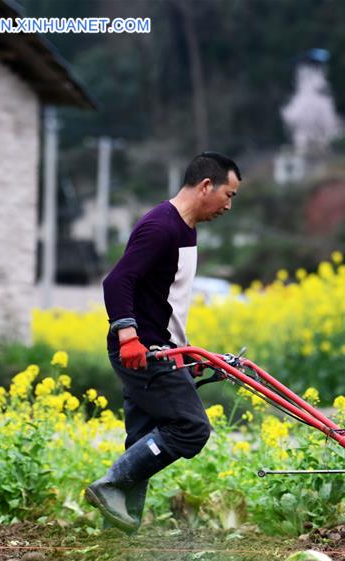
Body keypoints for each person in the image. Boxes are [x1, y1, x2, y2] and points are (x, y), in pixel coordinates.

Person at [86, 152, 241, 533]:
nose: (229, 204)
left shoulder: (185, 228)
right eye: (229, 194)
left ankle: (118, 531)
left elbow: (162, 299)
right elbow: (117, 281)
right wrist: (128, 336)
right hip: (143, 351)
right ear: (207, 185)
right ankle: (110, 485)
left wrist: (188, 352)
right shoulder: (161, 227)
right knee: (191, 428)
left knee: (141, 436)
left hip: (164, 348)